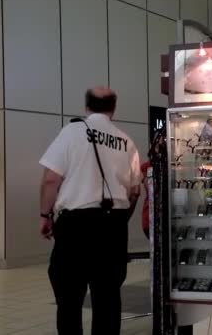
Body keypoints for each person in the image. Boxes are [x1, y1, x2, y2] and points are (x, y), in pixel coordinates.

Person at [39, 87, 142, 335]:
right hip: (113, 228)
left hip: (76, 226)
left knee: (69, 299)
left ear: (86, 107)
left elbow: (51, 180)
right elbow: (135, 191)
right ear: (113, 109)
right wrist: (119, 220)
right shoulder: (126, 141)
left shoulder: (72, 132)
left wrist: (46, 216)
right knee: (108, 298)